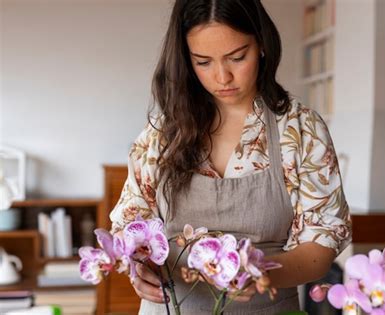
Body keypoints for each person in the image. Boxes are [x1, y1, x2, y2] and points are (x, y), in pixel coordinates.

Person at [109, 0, 351, 314]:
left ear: (262, 44)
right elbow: (129, 227)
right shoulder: (162, 134)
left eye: (237, 57)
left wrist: (261, 271)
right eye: (203, 62)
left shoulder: (300, 130)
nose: (222, 77)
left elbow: (322, 245)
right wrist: (137, 270)